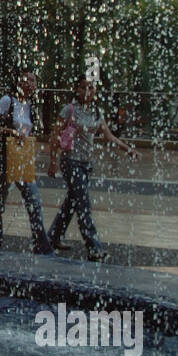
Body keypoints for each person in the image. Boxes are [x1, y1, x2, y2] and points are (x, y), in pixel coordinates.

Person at [46, 77, 137, 262]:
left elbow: (108, 136)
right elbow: (55, 134)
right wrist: (53, 161)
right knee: (83, 204)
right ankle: (94, 248)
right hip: (70, 162)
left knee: (72, 203)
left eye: (91, 88)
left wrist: (128, 149)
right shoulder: (69, 109)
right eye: (83, 87)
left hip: (87, 164)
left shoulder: (96, 112)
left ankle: (53, 237)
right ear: (77, 90)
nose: (88, 91)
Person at [0, 66, 53, 254]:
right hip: (4, 158)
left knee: (34, 199)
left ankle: (42, 245)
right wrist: (11, 132)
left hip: (22, 159)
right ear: (18, 82)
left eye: (33, 80)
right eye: (26, 79)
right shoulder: (8, 101)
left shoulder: (31, 105)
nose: (29, 84)